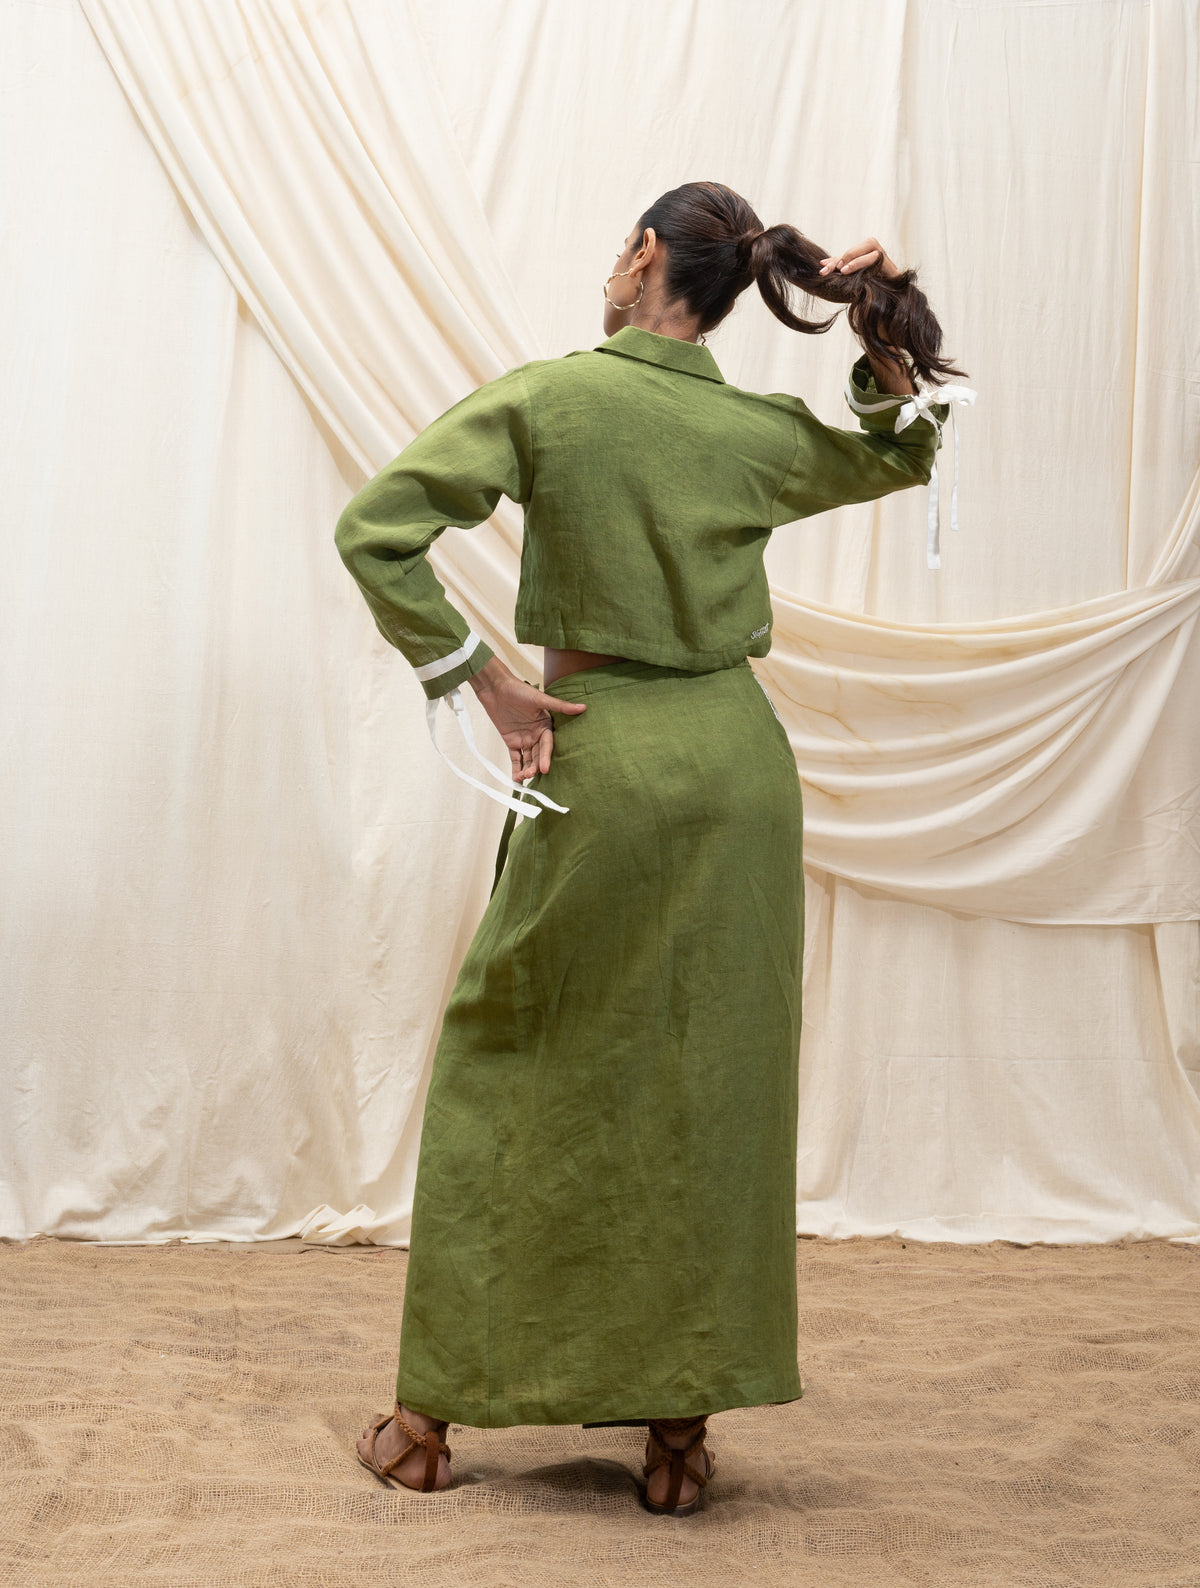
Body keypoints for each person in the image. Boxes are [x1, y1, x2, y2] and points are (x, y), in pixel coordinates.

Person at [336, 180, 967, 1516]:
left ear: (640, 256)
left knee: (514, 1063)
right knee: (709, 1087)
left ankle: (426, 1422)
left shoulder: (554, 399)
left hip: (602, 758)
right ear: (734, 290)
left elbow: (375, 529)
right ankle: (678, 1437)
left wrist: (478, 677)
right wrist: (877, 326)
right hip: (740, 773)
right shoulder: (755, 429)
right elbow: (906, 453)